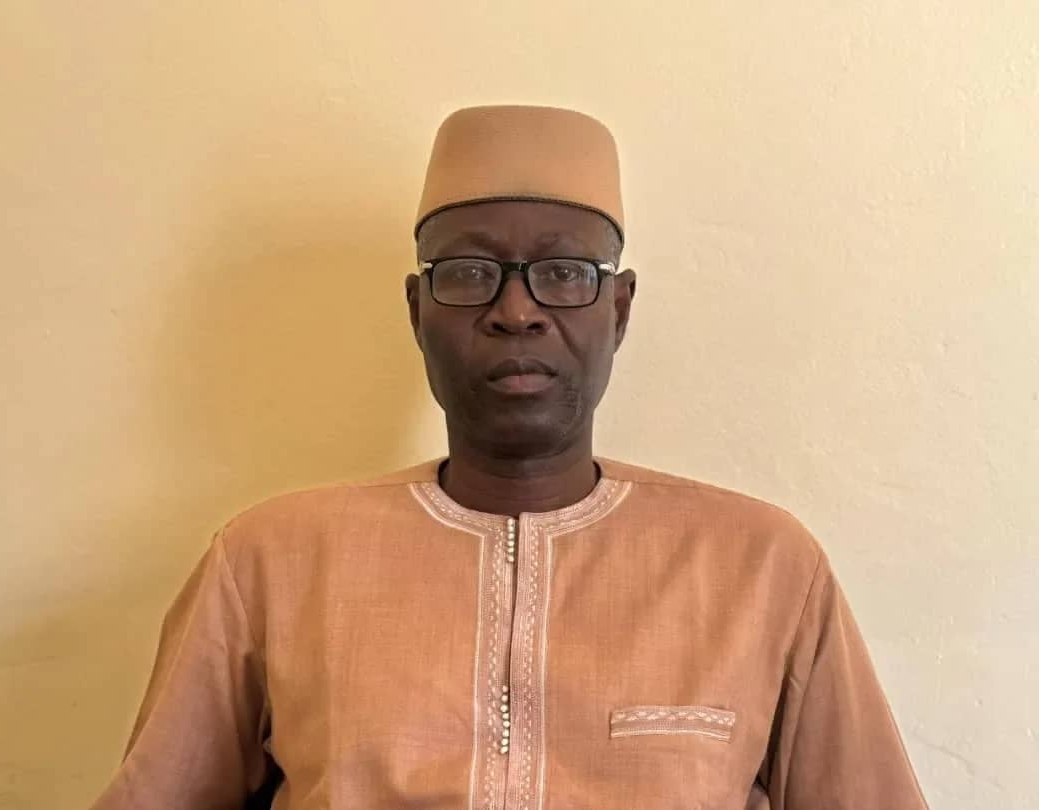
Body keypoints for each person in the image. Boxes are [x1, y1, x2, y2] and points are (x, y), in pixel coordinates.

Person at [93, 105, 928, 809]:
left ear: (619, 309)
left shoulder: (763, 566)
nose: (517, 311)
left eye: (564, 273)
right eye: (469, 272)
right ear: (418, 311)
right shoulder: (271, 561)